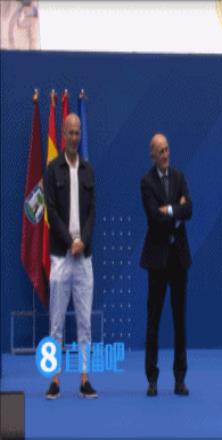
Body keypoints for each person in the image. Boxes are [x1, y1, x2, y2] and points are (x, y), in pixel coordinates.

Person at [44, 113, 97, 399]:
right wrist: (70, 241)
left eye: (78, 133)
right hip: (61, 256)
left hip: (84, 257)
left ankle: (85, 379)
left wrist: (82, 241)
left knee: (85, 321)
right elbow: (51, 211)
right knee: (56, 322)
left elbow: (92, 213)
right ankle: (54, 380)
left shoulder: (88, 170)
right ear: (63, 134)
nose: (74, 137)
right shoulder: (52, 169)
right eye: (70, 133)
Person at [140, 133, 192, 397]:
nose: (165, 155)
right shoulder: (146, 182)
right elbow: (153, 218)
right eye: (160, 151)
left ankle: (180, 378)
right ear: (152, 155)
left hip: (178, 259)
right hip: (157, 261)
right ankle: (152, 379)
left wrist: (168, 210)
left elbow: (189, 210)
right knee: (154, 320)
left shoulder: (180, 177)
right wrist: (177, 210)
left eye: (167, 149)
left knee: (179, 320)